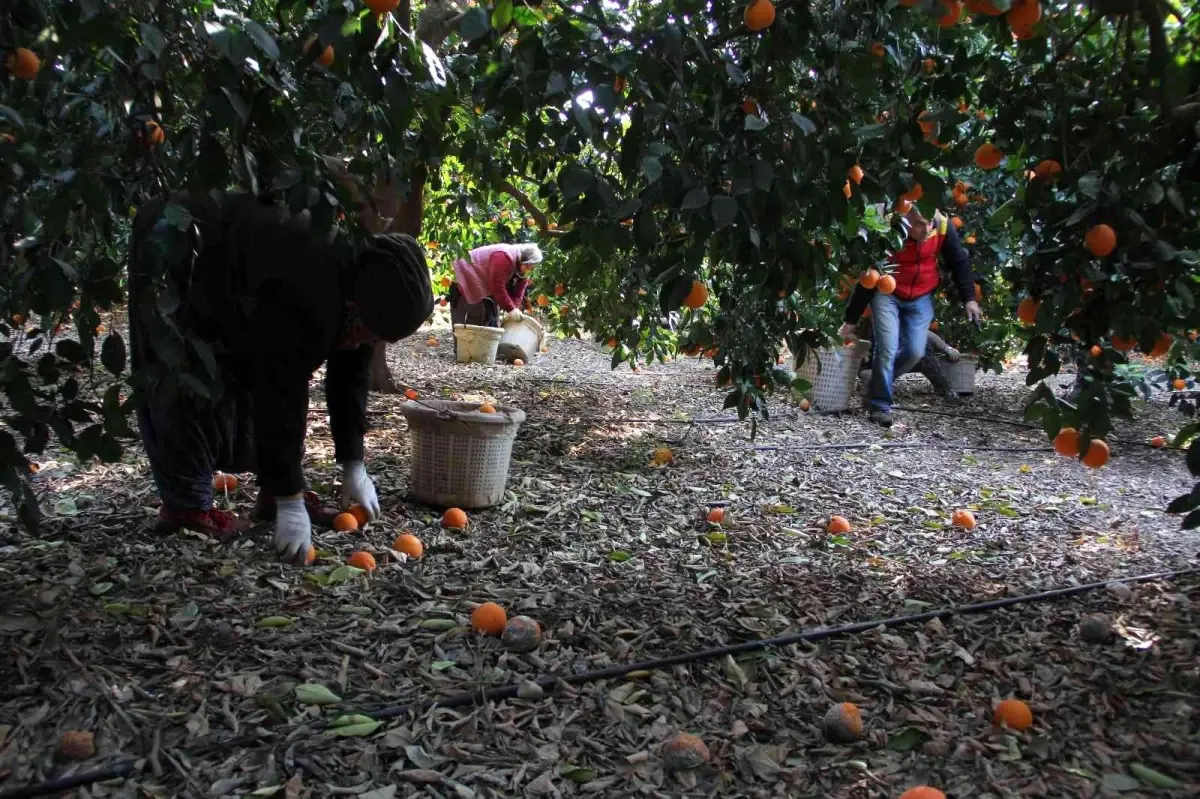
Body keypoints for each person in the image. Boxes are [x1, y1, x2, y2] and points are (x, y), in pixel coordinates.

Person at [129, 191, 434, 563]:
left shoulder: (364, 291)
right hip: (179, 242)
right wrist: (290, 498)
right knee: (180, 372)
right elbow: (280, 388)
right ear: (354, 306)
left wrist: (353, 462)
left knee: (259, 371)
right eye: (366, 332)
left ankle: (273, 489)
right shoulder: (308, 287)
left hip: (246, 280)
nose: (364, 342)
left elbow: (350, 375)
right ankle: (185, 507)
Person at [839, 207, 981, 427]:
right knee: (887, 348)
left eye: (929, 223)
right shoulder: (889, 229)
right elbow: (869, 276)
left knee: (915, 351)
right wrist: (851, 320)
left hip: (920, 296)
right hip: (887, 293)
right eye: (919, 224)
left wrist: (969, 299)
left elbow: (958, 261)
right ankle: (880, 406)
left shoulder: (943, 226)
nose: (926, 229)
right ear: (906, 219)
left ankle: (875, 381)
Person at [854, 313, 963, 402]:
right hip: (874, 362)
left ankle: (945, 390)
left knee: (922, 347)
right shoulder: (866, 319)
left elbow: (924, 333)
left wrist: (947, 348)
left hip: (899, 360)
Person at [449, 242, 542, 328]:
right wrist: (510, 309)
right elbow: (498, 287)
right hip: (464, 275)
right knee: (470, 324)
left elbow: (519, 289)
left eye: (531, 268)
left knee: (489, 321)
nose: (529, 269)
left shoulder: (522, 266)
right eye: (528, 266)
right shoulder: (504, 257)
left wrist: (515, 307)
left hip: (484, 282)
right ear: (523, 260)